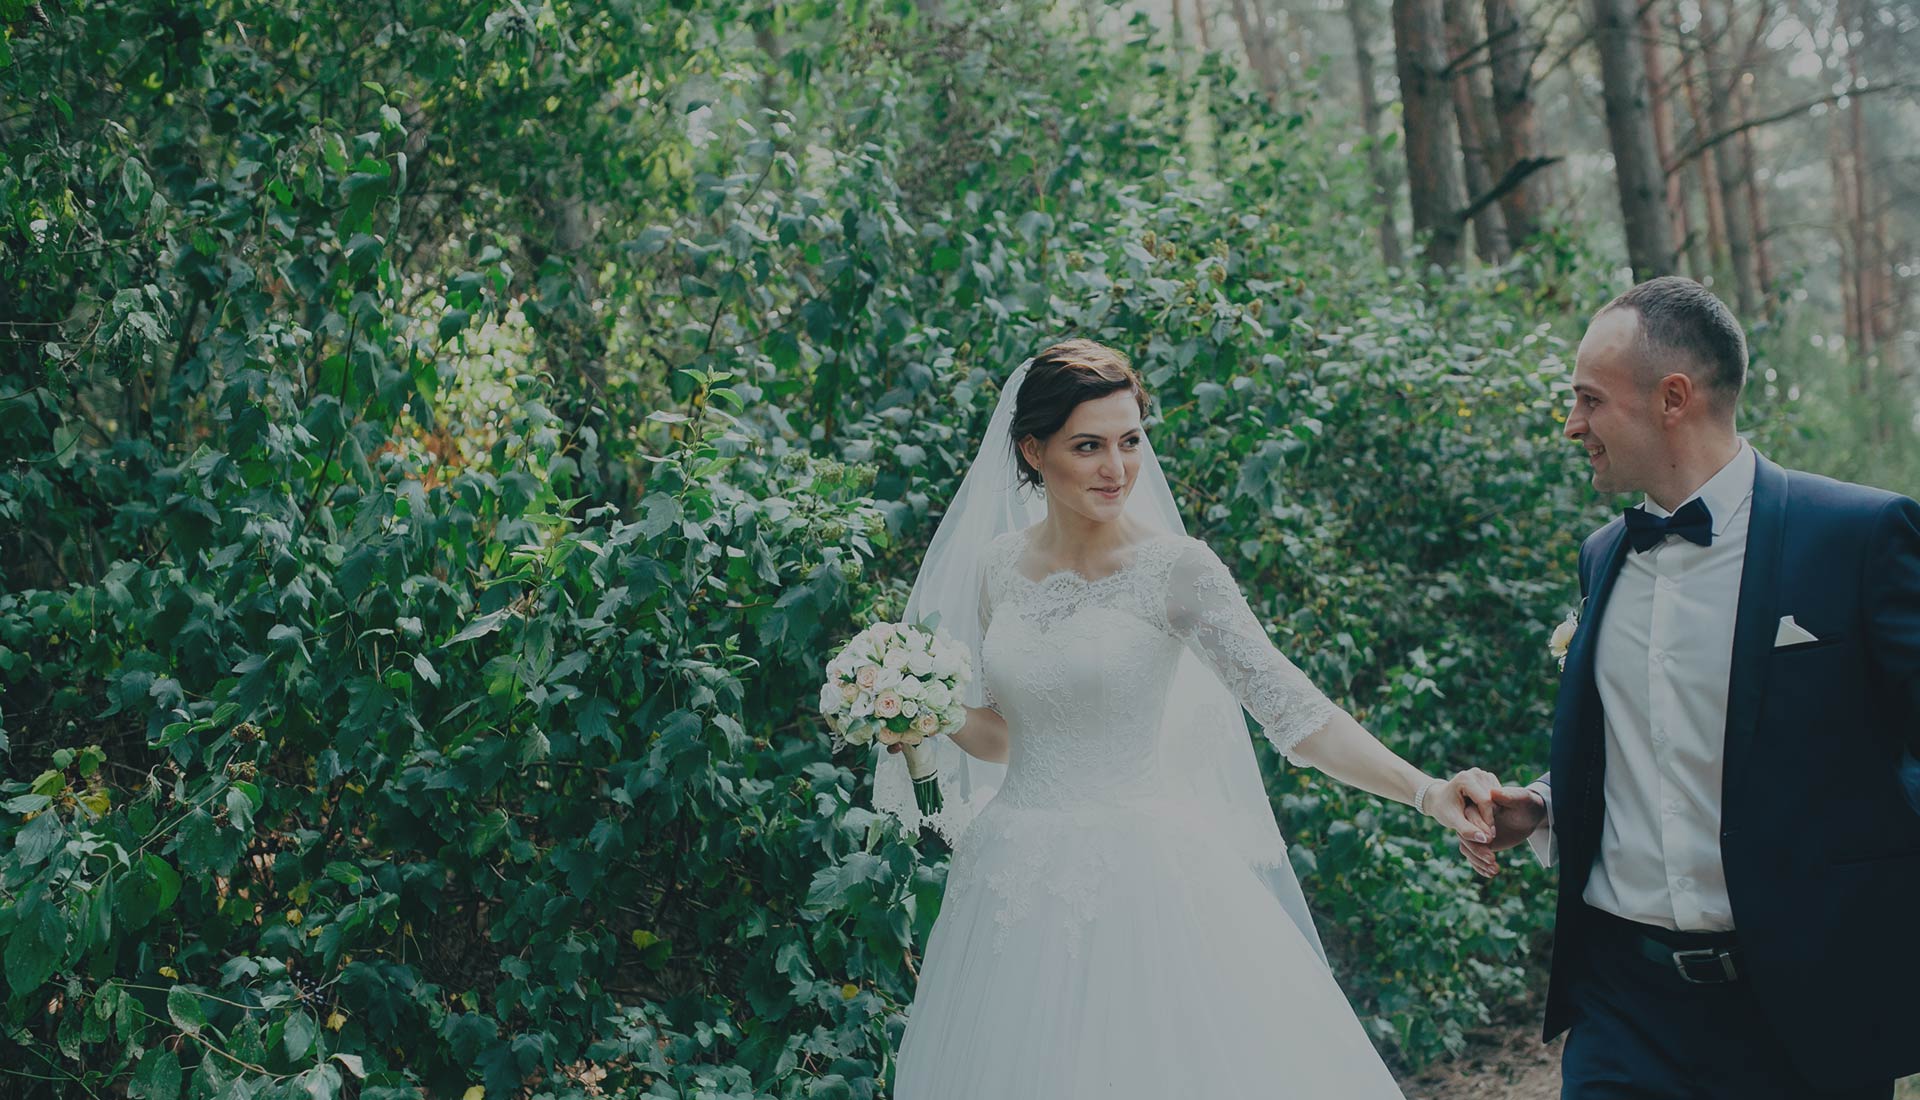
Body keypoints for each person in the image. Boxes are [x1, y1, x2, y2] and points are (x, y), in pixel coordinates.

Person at [872, 339, 1499, 1099]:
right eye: (1088, 446)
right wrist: (930, 711)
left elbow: (1299, 714)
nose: (1117, 468)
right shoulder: (999, 567)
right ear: (1034, 451)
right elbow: (1011, 735)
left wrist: (1427, 792)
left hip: (1140, 880)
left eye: (1130, 440)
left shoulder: (1176, 569)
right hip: (1012, 878)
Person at [1457, 277, 1920, 1098]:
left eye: (1590, 400)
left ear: (1674, 398)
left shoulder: (1858, 537)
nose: (1572, 425)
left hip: (1803, 1008)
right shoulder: (1604, 555)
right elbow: (1649, 739)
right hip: (1624, 1007)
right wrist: (1545, 803)